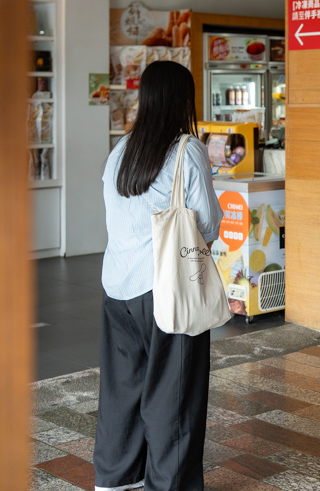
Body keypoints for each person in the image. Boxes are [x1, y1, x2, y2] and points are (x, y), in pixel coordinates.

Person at [95, 61, 223, 491]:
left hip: (117, 288)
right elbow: (206, 223)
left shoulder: (121, 150)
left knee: (121, 393)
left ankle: (116, 481)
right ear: (183, 100)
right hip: (167, 290)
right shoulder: (187, 149)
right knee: (176, 397)